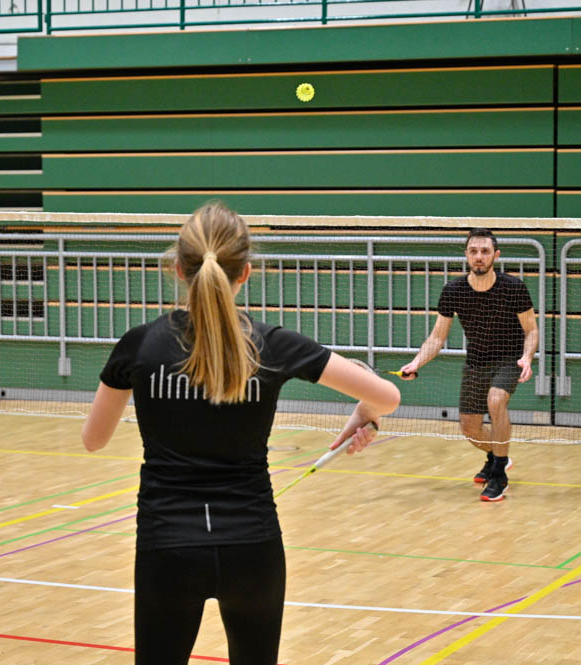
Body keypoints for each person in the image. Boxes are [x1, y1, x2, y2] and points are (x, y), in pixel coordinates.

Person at [81, 202, 400, 665]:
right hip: (253, 550)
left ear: (178, 269)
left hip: (168, 550)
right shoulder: (273, 344)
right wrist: (365, 411)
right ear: (245, 273)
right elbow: (388, 397)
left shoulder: (140, 344)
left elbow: (93, 440)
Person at [399, 228, 538, 502]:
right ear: (466, 255)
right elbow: (437, 337)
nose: (479, 257)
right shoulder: (454, 291)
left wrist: (527, 357)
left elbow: (531, 330)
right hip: (476, 361)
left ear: (496, 255)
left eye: (485, 251)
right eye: (473, 251)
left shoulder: (513, 288)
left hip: (509, 358)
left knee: (496, 400)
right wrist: (416, 363)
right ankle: (496, 455)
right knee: (470, 428)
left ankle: (499, 474)